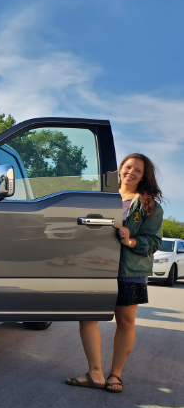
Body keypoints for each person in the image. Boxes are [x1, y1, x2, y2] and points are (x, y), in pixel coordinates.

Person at [66, 153, 163, 393]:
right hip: (95, 267)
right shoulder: (101, 198)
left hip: (129, 270)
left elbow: (153, 241)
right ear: (120, 169)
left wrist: (131, 241)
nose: (131, 172)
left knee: (125, 322)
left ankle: (115, 374)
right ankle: (95, 373)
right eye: (128, 167)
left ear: (144, 176)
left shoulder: (149, 206)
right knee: (88, 318)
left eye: (138, 170)